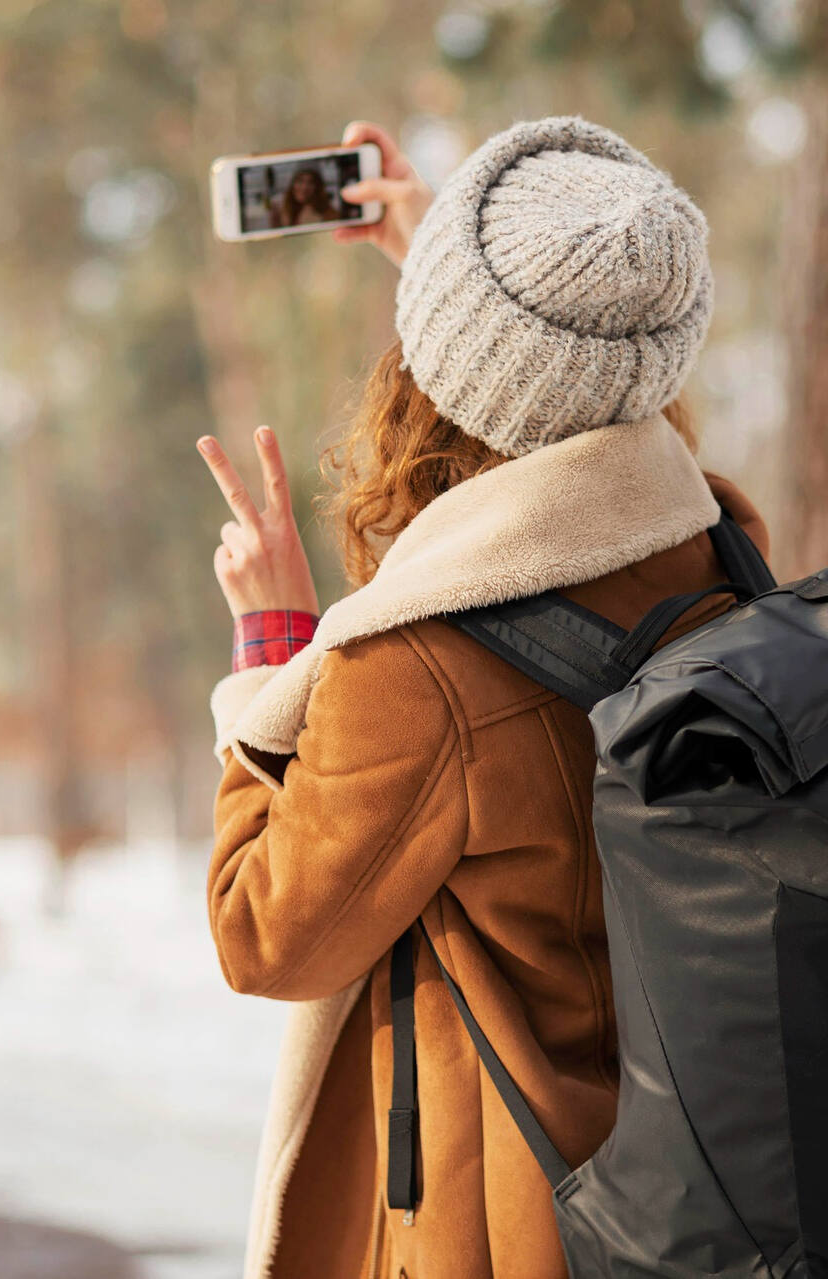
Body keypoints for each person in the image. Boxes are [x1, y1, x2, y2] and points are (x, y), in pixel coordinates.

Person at [194, 117, 768, 1279]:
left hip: (500, 1232)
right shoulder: (725, 554)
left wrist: (273, 650)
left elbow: (263, 934)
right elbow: (581, 417)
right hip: (690, 1208)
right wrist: (437, 255)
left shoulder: (413, 668)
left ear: (441, 361)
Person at [271, 164, 341, 226]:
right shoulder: (283, 209)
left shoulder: (328, 214)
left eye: (311, 183)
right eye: (300, 181)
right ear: (293, 184)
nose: (304, 188)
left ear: (317, 187)